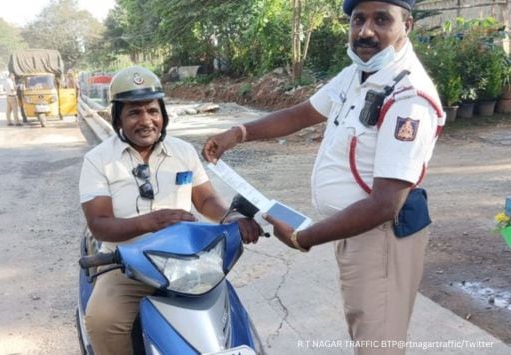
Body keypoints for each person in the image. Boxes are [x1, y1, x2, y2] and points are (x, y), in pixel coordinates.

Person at [202, 1, 445, 354]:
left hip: (382, 238)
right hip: (354, 230)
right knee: (367, 331)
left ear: (407, 24)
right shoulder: (357, 74)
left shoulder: (409, 98)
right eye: (358, 19)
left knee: (379, 344)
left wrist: (304, 237)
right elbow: (303, 113)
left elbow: (385, 203)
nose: (365, 31)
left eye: (381, 20)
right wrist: (239, 132)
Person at [79, 66, 262, 355]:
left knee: (229, 320)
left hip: (185, 261)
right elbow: (100, 223)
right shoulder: (98, 160)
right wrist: (151, 221)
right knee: (103, 320)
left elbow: (205, 201)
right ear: (118, 119)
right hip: (126, 263)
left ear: (163, 113)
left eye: (152, 111)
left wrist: (232, 217)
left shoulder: (183, 151)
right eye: (134, 113)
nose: (146, 121)